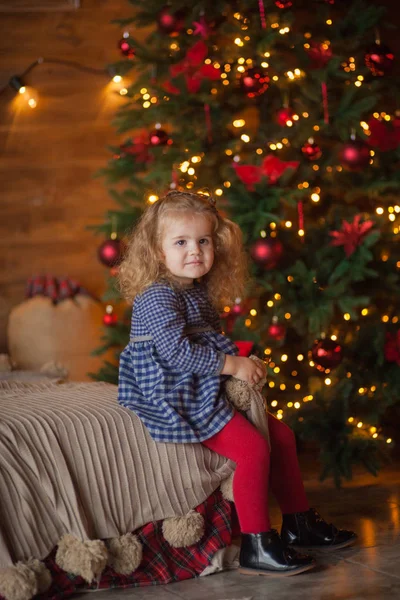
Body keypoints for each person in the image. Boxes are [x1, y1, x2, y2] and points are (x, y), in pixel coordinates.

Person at [118, 190, 356, 577]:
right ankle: (256, 542)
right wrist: (232, 365)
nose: (194, 251)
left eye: (203, 241)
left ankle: (298, 524)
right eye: (181, 242)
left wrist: (240, 362)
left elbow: (207, 342)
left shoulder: (195, 292)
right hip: (176, 392)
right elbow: (177, 354)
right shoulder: (157, 296)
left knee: (281, 437)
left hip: (203, 383)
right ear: (158, 252)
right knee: (252, 450)